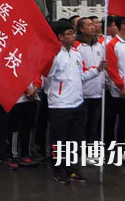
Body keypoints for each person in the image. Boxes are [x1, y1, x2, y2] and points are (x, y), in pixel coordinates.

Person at [43, 20, 106, 185]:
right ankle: (59, 170)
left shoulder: (76, 53)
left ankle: (71, 169)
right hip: (60, 105)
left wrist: (97, 69)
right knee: (59, 141)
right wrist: (52, 55)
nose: (73, 36)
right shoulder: (54, 55)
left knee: (74, 141)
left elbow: (81, 76)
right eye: (69, 34)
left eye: (73, 33)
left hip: (77, 103)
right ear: (60, 37)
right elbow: (47, 75)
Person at [75, 17, 105, 143]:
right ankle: (80, 150)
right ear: (81, 29)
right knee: (82, 124)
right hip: (82, 93)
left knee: (94, 124)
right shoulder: (76, 46)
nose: (92, 27)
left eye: (93, 24)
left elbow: (103, 67)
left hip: (97, 92)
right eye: (88, 25)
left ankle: (91, 148)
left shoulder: (100, 45)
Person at [106, 17, 125, 146]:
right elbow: (112, 68)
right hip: (121, 90)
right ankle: (122, 147)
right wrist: (120, 86)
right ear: (123, 26)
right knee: (123, 120)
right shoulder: (112, 45)